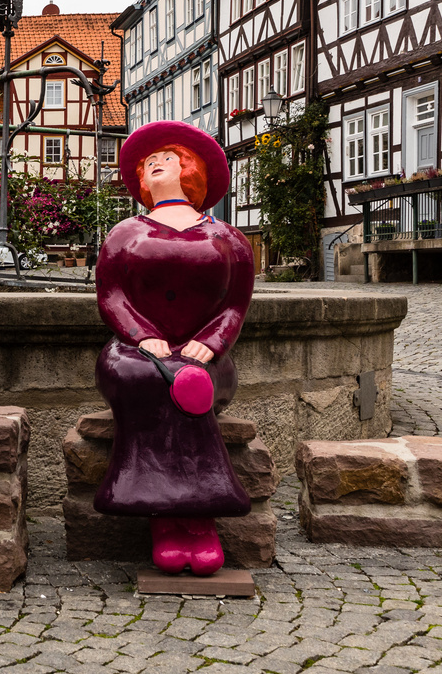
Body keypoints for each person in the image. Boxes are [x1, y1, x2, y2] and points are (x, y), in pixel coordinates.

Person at [94, 120, 253, 577]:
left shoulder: (228, 239)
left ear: (192, 170)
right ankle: (169, 518)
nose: (158, 163)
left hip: (206, 357)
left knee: (193, 381)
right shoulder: (125, 234)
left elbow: (235, 307)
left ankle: (199, 519)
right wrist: (142, 335)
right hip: (134, 352)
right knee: (143, 378)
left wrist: (210, 342)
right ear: (141, 181)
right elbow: (111, 296)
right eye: (149, 162)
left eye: (170, 157)